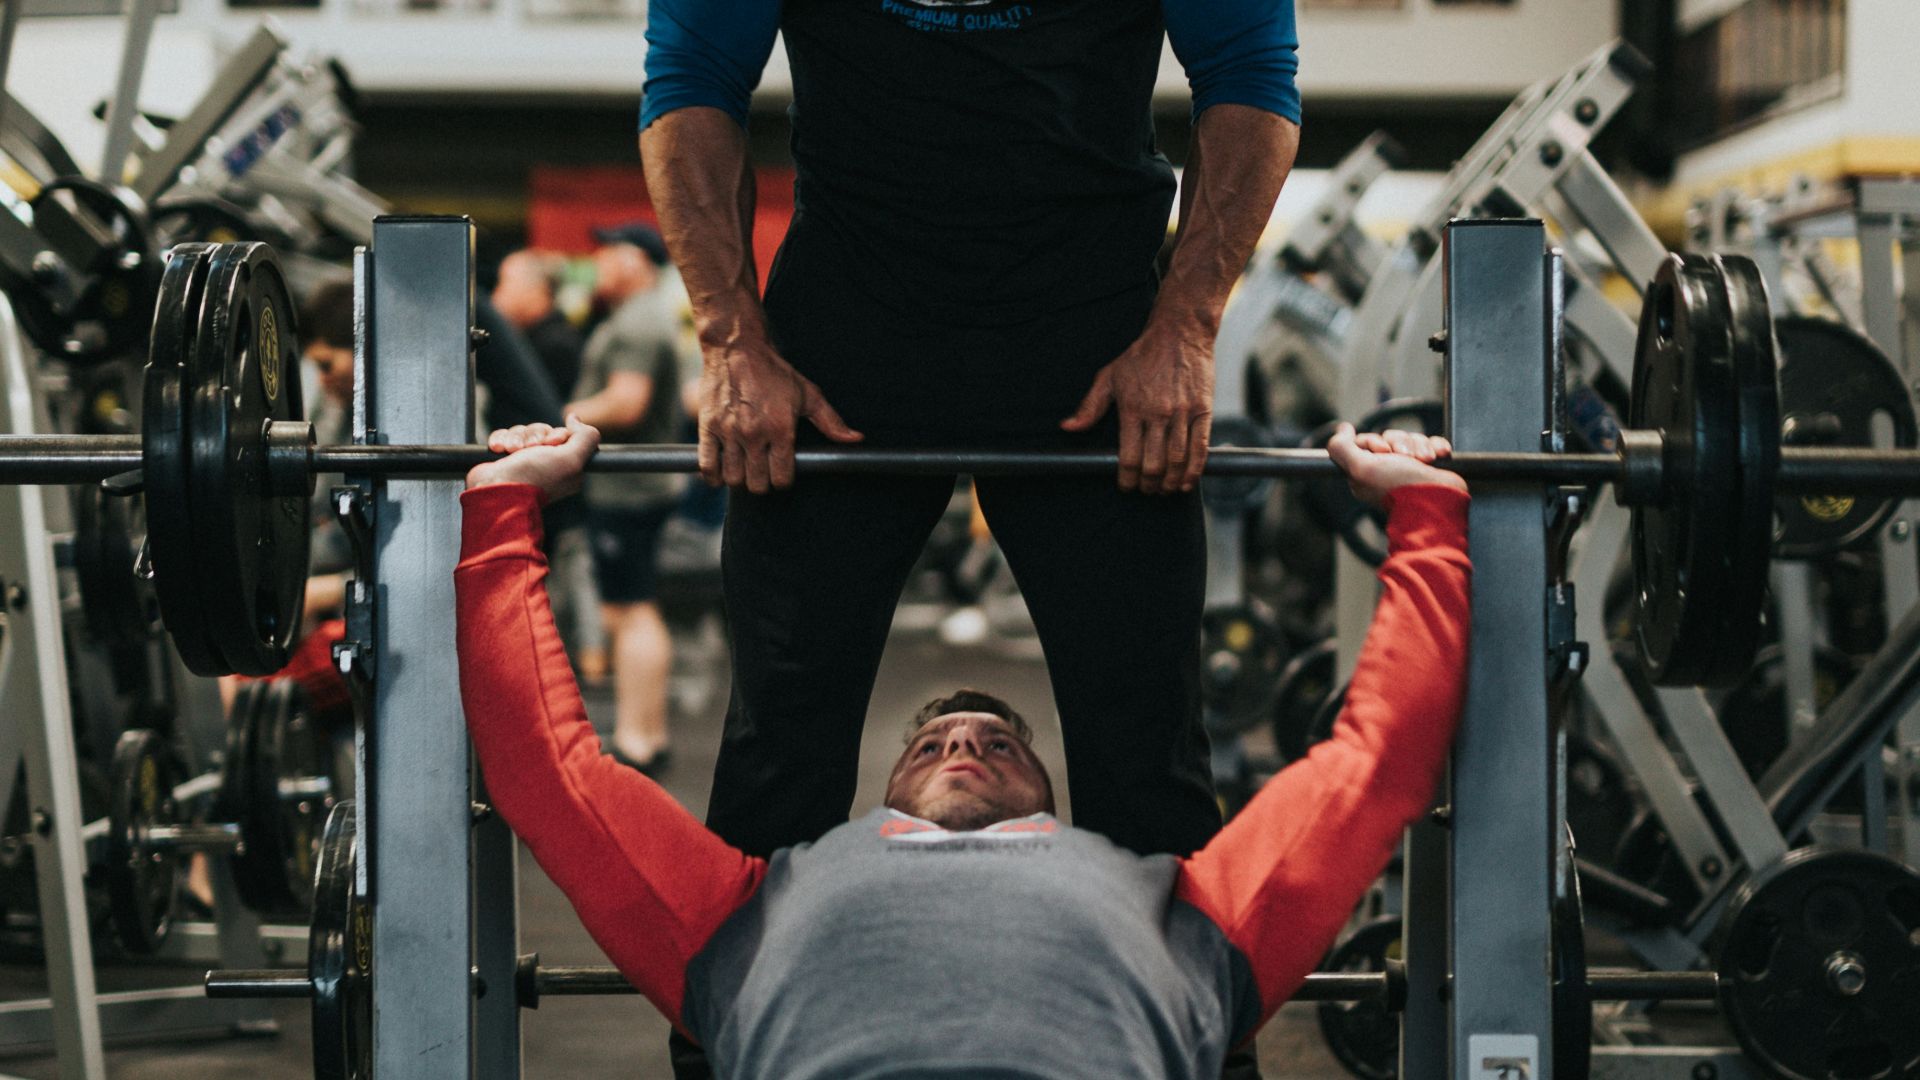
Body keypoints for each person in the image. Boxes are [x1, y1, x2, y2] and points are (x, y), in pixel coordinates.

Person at [455, 416, 1468, 1078]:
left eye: (996, 744)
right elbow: (550, 772)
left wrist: (1428, 515)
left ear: (1056, 817)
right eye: (935, 741)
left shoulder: (1179, 911)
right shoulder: (749, 912)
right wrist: (503, 499)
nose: (965, 741)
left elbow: (1374, 766)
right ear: (879, 808)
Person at [638, 1, 1304, 886]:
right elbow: (694, 83)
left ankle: (1166, 981)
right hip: (848, 332)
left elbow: (1249, 76)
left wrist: (1187, 327)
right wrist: (731, 339)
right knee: (779, 748)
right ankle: (752, 982)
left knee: (1146, 750)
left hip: (1091, 332)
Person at [564, 224, 686, 771]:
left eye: (610, 253)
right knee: (629, 608)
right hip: (631, 488)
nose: (600, 263)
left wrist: (555, 418)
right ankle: (645, 734)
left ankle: (639, 741)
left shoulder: (638, 321)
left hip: (630, 490)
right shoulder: (639, 316)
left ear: (637, 261)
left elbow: (626, 402)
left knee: (629, 610)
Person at [491, 249, 584, 404]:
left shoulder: (556, 344)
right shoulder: (530, 335)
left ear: (536, 290)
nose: (495, 295)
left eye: (503, 283)